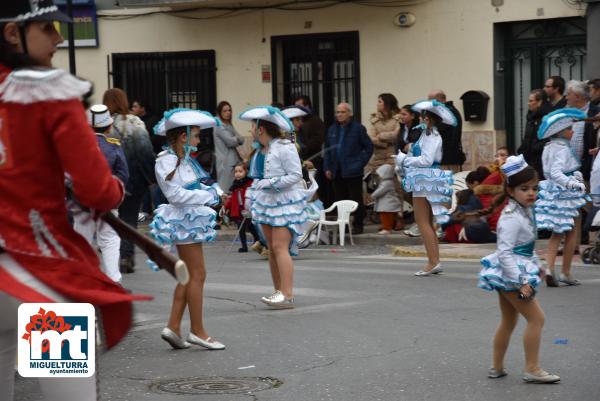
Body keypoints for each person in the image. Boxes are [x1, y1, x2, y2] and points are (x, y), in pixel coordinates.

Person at [0, 2, 147, 399]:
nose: (58, 38)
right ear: (13, 33)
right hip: (40, 273)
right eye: (47, 27)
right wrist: (115, 191)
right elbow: (96, 189)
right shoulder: (48, 93)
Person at [478, 155, 560, 384]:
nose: (531, 193)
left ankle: (496, 367)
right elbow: (505, 253)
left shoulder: (523, 211)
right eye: (524, 188)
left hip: (513, 272)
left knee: (509, 320)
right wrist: (522, 281)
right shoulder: (511, 217)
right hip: (512, 276)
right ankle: (532, 368)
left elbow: (525, 248)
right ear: (511, 191)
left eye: (534, 188)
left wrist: (539, 266)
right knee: (537, 319)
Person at [149, 108, 225, 350]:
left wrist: (214, 192)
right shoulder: (166, 160)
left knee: (189, 275)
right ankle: (198, 331)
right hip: (183, 219)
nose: (199, 140)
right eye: (196, 136)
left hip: (189, 218)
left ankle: (173, 326)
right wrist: (206, 196)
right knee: (197, 274)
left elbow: (200, 184)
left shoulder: (184, 160)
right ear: (183, 136)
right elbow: (177, 195)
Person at [240, 106, 308, 308]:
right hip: (267, 203)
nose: (251, 130)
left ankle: (287, 294)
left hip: (285, 202)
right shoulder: (260, 150)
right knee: (271, 249)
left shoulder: (285, 146)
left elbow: (296, 175)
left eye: (253, 126)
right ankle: (279, 291)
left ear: (261, 128)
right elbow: (256, 179)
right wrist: (250, 198)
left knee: (280, 247)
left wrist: (270, 183)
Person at [396, 100, 455, 275]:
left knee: (423, 222)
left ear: (428, 118)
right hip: (427, 177)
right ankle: (434, 260)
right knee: (427, 222)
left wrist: (404, 160)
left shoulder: (432, 136)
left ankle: (433, 262)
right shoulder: (428, 135)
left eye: (423, 116)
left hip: (425, 178)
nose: (421, 119)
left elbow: (426, 161)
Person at [73, 104, 129, 283]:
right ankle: (114, 280)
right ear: (109, 126)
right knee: (110, 239)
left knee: (82, 239)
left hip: (81, 201)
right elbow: (124, 174)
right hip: (107, 200)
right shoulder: (114, 146)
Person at [103, 88, 156, 274]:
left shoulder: (101, 124)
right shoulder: (134, 123)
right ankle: (126, 257)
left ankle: (112, 255)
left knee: (110, 219)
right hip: (133, 179)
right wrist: (151, 177)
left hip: (107, 180)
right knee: (129, 219)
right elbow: (145, 152)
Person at [535, 108, 589, 287]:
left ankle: (550, 268)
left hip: (552, 192)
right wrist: (572, 183)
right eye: (569, 129)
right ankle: (565, 272)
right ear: (561, 131)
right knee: (571, 230)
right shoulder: (563, 149)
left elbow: (547, 172)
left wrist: (574, 176)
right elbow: (557, 173)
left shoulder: (548, 147)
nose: (572, 131)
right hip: (564, 195)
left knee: (557, 232)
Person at [323, 103, 374, 234]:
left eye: (342, 112)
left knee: (355, 198)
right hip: (336, 169)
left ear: (350, 114)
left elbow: (368, 147)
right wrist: (327, 167)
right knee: (340, 199)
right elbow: (327, 150)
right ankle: (343, 224)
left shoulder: (358, 129)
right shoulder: (332, 130)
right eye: (337, 112)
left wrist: (360, 162)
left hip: (353, 169)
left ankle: (358, 224)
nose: (339, 115)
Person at [293, 95, 330, 206]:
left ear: (307, 106)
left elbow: (318, 139)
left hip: (314, 159)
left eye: (299, 106)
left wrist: (304, 147)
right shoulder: (295, 126)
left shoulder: (315, 121)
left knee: (314, 187)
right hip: (302, 160)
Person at [565, 79, 600, 180]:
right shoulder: (566, 114)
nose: (566, 97)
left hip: (589, 169)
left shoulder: (596, 113)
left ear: (577, 97)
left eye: (568, 94)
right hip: (568, 170)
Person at [223, 162, 260, 252]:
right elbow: (232, 198)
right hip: (238, 210)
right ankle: (244, 246)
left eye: (240, 171)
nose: (237, 173)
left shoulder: (250, 183)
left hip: (248, 209)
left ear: (246, 172)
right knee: (241, 228)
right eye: (236, 171)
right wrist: (226, 206)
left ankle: (258, 240)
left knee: (251, 226)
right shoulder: (235, 185)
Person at [427, 90, 465, 172]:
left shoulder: (448, 113)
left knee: (449, 183)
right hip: (444, 157)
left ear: (443, 100)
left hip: (448, 158)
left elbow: (437, 131)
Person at [474, 147, 510, 232]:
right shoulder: (491, 170)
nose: (499, 157)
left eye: (502, 155)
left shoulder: (507, 170)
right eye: (497, 155)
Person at [518, 89, 550, 178]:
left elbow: (547, 138)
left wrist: (534, 148)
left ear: (540, 102)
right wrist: (522, 150)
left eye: (531, 101)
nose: (528, 103)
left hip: (540, 160)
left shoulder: (546, 118)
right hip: (529, 158)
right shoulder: (531, 117)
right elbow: (528, 137)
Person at [365, 93, 401, 174]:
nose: (377, 104)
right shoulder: (375, 120)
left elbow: (397, 135)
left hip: (393, 158)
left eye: (380, 101)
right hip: (378, 159)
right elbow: (370, 138)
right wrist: (385, 143)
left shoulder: (398, 119)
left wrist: (381, 136)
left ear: (387, 104)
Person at [214, 100, 244, 192]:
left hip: (233, 160)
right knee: (226, 188)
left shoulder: (228, 124)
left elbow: (242, 139)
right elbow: (231, 141)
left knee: (234, 187)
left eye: (229, 110)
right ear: (219, 112)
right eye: (225, 111)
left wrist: (237, 139)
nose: (228, 113)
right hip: (225, 162)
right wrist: (236, 139)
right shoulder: (219, 125)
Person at [371, 164, 402, 235]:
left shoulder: (386, 183)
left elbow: (380, 191)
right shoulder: (387, 182)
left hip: (387, 204)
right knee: (389, 217)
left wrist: (373, 195)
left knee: (385, 216)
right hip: (387, 203)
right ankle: (387, 226)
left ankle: (387, 228)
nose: (379, 176)